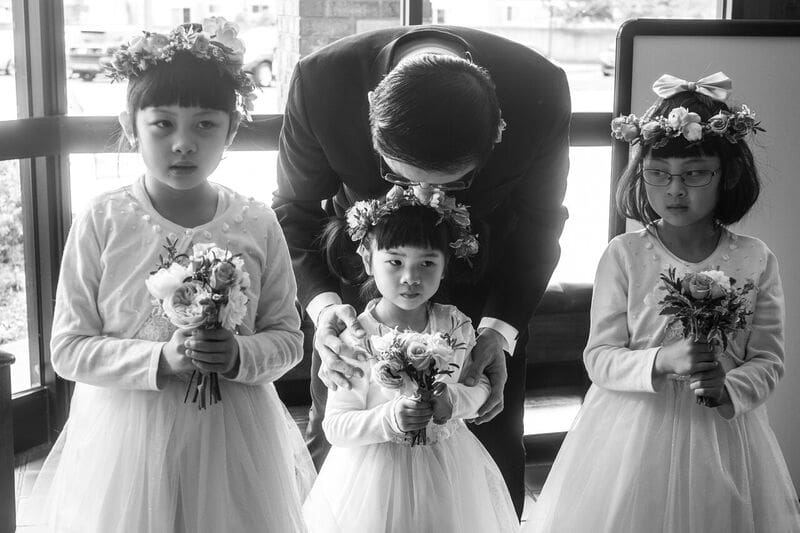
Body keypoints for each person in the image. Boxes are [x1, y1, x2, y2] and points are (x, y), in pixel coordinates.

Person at [22, 19, 314, 532]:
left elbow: (289, 339)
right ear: (131, 123)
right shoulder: (104, 217)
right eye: (163, 124)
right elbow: (68, 349)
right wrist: (161, 358)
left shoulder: (255, 221)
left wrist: (240, 353)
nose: (183, 143)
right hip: (125, 438)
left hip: (233, 437)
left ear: (232, 131)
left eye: (205, 125)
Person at [274, 25, 571, 516]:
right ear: (372, 119)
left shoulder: (538, 88)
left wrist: (497, 333)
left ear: (497, 132)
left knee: (488, 465)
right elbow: (293, 209)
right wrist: (325, 309)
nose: (425, 197)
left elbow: (541, 223)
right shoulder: (323, 82)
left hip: (483, 305)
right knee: (342, 463)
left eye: (453, 182)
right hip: (362, 301)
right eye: (397, 176)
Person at [526, 73, 800, 532]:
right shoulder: (625, 254)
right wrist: (661, 359)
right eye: (658, 174)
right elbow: (599, 357)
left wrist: (727, 386)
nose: (674, 190)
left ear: (726, 174)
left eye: (694, 174)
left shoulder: (755, 257)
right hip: (631, 431)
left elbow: (769, 360)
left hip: (722, 436)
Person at [302, 184, 519, 532]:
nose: (410, 277)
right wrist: (390, 418)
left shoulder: (456, 324)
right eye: (395, 261)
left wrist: (454, 401)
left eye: (427, 263)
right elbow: (336, 426)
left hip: (448, 471)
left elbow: (479, 386)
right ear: (367, 260)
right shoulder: (356, 336)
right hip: (373, 480)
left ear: (446, 266)